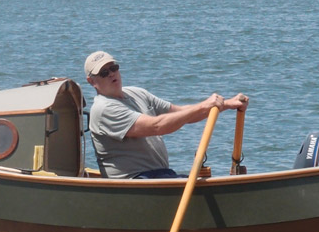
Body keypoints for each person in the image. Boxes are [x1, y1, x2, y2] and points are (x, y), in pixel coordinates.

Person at [84, 50, 250, 179]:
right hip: (134, 181)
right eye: (104, 72)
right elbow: (157, 126)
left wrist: (226, 104)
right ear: (92, 81)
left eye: (113, 68)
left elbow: (182, 113)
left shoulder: (136, 93)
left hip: (160, 174)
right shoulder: (103, 109)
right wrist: (204, 105)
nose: (112, 73)